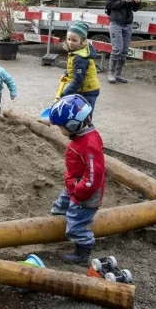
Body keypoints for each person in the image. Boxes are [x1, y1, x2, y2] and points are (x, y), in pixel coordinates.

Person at [48, 94, 105, 266]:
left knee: (77, 223)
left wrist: (79, 193)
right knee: (60, 206)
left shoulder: (88, 144)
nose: (60, 130)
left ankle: (83, 250)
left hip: (85, 193)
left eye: (61, 127)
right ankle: (55, 226)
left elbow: (94, 176)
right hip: (74, 184)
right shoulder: (81, 134)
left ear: (73, 125)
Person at [105, 0, 142, 84]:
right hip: (116, 22)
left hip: (128, 23)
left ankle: (118, 74)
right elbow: (109, 5)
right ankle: (110, 74)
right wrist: (125, 1)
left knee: (125, 49)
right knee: (117, 49)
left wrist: (137, 2)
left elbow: (136, 9)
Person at [57, 21, 100, 112]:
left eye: (74, 40)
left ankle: (89, 127)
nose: (70, 42)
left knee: (84, 116)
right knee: (78, 115)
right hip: (82, 90)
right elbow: (74, 68)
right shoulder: (77, 51)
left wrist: (64, 94)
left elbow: (78, 80)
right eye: (68, 39)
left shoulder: (80, 57)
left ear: (82, 41)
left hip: (88, 92)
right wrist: (67, 74)